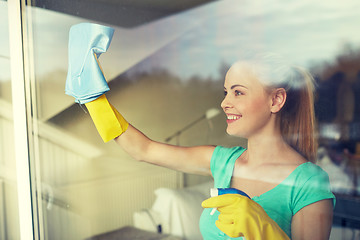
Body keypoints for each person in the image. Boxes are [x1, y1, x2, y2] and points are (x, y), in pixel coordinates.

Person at [66, 23, 335, 240]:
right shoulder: (222, 161)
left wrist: (263, 229)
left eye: (238, 92)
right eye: (226, 91)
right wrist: (93, 99)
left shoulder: (309, 183)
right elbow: (142, 149)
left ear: (275, 100)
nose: (224, 102)